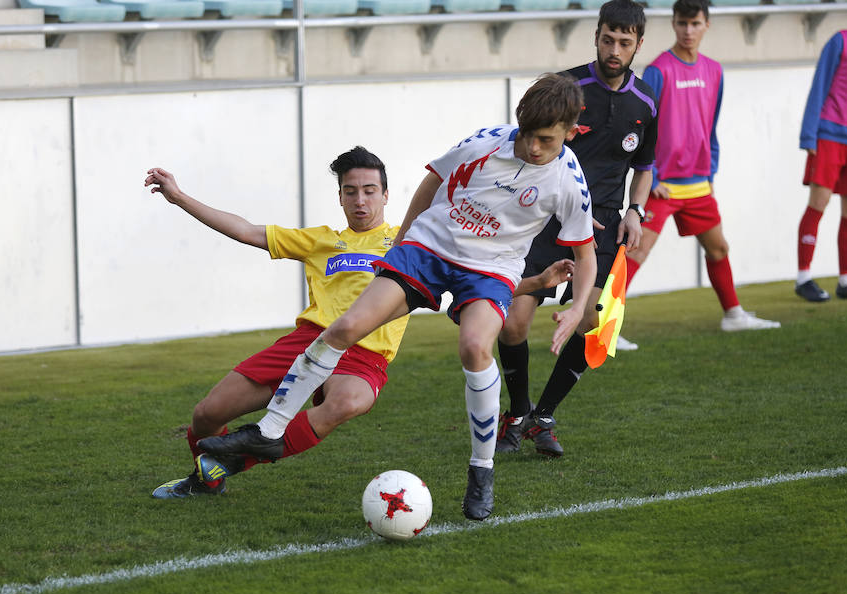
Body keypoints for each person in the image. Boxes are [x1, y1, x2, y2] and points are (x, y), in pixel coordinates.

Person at [198, 73, 598, 521]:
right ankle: (269, 431)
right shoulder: (488, 141)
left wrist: (576, 308)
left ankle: (481, 471)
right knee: (345, 326)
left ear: (571, 130)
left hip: (491, 268)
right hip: (431, 247)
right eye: (525, 134)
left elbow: (586, 256)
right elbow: (432, 182)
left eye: (544, 139)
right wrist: (403, 245)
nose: (531, 147)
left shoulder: (568, 182)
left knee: (474, 347)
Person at [146, 147, 412, 499]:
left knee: (348, 402)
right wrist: (179, 197)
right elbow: (245, 231)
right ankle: (207, 480)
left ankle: (236, 461)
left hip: (363, 354)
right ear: (340, 198)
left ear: (386, 195)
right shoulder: (321, 240)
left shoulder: (408, 242)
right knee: (206, 416)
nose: (360, 200)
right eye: (351, 192)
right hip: (306, 342)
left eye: (369, 191)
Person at [495, 0, 656, 458]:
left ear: (638, 45)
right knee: (512, 322)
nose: (615, 49)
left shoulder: (646, 101)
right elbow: (530, 148)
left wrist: (635, 211)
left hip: (604, 230)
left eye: (625, 43)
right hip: (545, 221)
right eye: (608, 39)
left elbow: (644, 166)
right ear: (597, 35)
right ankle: (518, 411)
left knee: (589, 321)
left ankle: (543, 417)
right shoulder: (566, 89)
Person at [624, 0, 780, 331]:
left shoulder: (714, 70)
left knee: (719, 247)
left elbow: (711, 124)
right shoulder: (658, 69)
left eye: (695, 24)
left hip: (698, 183)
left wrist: (711, 171)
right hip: (662, 184)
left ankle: (733, 315)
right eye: (682, 23)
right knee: (634, 254)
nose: (688, 31)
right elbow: (641, 127)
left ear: (706, 24)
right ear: (673, 24)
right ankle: (603, 329)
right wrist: (649, 179)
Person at [794, 0, 847, 302]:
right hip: (830, 136)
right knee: (819, 203)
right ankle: (804, 276)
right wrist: (809, 135)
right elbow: (819, 86)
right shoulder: (842, 41)